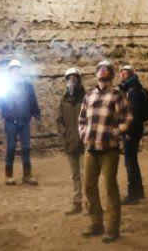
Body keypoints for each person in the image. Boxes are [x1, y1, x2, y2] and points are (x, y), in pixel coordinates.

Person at [78, 59, 133, 242]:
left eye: (106, 70)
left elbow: (127, 118)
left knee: (110, 187)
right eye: (100, 70)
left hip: (109, 149)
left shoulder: (117, 95)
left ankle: (112, 228)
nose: (102, 72)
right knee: (89, 186)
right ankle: (96, 223)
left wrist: (116, 132)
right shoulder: (89, 96)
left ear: (110, 74)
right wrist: (84, 133)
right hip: (91, 148)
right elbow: (82, 120)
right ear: (96, 73)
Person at [0, 59, 41, 186]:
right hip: (11, 121)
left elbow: (33, 101)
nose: (15, 71)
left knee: (26, 148)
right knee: (11, 148)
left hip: (24, 121)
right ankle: (8, 175)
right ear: (9, 71)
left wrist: (37, 115)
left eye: (17, 69)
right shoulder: (4, 86)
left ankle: (27, 175)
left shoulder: (27, 85)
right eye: (13, 69)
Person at [117, 65, 148, 204]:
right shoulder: (134, 89)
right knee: (132, 162)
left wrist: (129, 132)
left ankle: (133, 195)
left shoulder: (133, 91)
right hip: (134, 130)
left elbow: (134, 115)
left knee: (130, 163)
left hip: (132, 131)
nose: (122, 76)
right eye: (121, 73)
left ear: (131, 75)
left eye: (124, 74)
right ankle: (139, 192)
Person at [56, 66, 85, 215]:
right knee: (75, 175)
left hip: (84, 144)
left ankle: (90, 203)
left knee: (87, 175)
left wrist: (86, 135)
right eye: (69, 79)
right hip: (70, 143)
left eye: (75, 78)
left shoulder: (86, 99)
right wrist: (64, 134)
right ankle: (77, 202)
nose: (72, 81)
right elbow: (59, 120)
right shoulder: (63, 101)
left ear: (79, 80)